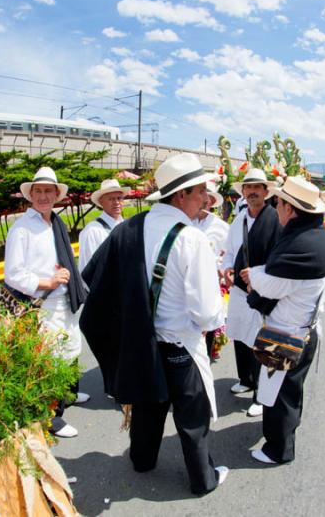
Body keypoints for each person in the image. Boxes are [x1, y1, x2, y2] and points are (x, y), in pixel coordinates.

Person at [80, 153, 228, 495]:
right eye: (201, 191)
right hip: (181, 346)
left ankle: (142, 460)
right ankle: (202, 479)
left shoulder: (131, 227)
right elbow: (207, 314)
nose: (206, 198)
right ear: (180, 195)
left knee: (148, 406)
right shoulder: (192, 239)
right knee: (192, 417)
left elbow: (99, 281)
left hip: (141, 344)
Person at [239, 176, 325, 465]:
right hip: (302, 328)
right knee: (290, 388)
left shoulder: (302, 245)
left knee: (280, 392)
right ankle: (286, 431)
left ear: (290, 209)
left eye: (278, 202)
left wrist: (251, 276)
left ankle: (278, 449)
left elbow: (273, 285)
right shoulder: (312, 237)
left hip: (288, 334)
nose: (275, 206)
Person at [4, 166, 89, 439]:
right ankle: (52, 418)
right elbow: (13, 274)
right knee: (49, 360)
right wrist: (48, 282)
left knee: (69, 352)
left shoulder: (55, 222)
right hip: (43, 305)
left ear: (56, 194)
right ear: (30, 195)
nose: (43, 196)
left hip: (63, 300)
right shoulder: (23, 228)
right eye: (38, 191)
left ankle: (66, 396)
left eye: (48, 191)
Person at [221, 168, 281, 418]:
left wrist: (258, 277)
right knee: (239, 333)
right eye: (248, 187)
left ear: (266, 192)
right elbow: (230, 249)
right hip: (238, 289)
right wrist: (226, 269)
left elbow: (279, 256)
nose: (252, 191)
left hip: (262, 291)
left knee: (258, 339)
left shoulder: (275, 219)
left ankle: (259, 392)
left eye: (257, 187)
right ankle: (245, 378)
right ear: (243, 192)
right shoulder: (240, 218)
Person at [193, 180, 230, 358]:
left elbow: (229, 257)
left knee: (207, 323)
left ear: (212, 202)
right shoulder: (185, 222)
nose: (203, 204)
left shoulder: (222, 228)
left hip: (211, 284)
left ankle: (205, 357)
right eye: (201, 198)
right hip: (188, 283)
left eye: (207, 200)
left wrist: (219, 267)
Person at [78, 178, 130, 271]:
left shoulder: (127, 226)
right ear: (101, 202)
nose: (116, 202)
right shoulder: (92, 231)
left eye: (119, 198)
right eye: (111, 199)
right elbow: (87, 269)